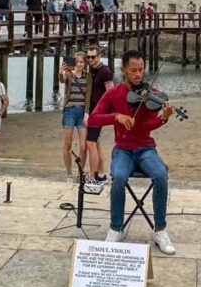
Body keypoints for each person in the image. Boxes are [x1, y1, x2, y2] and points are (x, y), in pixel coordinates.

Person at [89, 49, 176, 255]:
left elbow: (146, 125)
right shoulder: (113, 93)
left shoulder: (149, 93)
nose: (138, 75)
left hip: (146, 148)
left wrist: (163, 117)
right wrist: (116, 116)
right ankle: (116, 228)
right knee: (118, 177)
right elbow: (92, 119)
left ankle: (160, 230)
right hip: (123, 150)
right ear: (124, 70)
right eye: (133, 70)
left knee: (161, 175)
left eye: (141, 70)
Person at [59, 51, 90, 183]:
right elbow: (62, 80)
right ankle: (69, 174)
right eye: (77, 61)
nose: (79, 64)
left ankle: (80, 173)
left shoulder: (88, 77)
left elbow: (88, 95)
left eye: (81, 62)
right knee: (67, 143)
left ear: (85, 63)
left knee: (83, 145)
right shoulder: (69, 75)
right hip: (70, 110)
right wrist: (61, 71)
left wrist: (87, 112)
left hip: (82, 111)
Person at [85, 46, 114, 185]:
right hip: (91, 112)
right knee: (96, 143)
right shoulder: (91, 70)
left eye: (93, 57)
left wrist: (108, 112)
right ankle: (101, 174)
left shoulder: (105, 71)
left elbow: (111, 92)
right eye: (88, 57)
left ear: (99, 56)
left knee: (90, 143)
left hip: (99, 113)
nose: (91, 60)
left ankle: (93, 177)